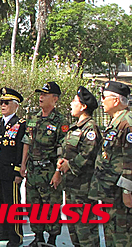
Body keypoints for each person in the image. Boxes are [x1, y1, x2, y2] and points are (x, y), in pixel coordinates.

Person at [20, 82, 68, 247]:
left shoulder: (60, 121)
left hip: (49, 171)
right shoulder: (33, 118)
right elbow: (27, 141)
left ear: (54, 99)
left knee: (51, 208)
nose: (40, 97)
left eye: (45, 95)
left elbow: (63, 148)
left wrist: (58, 172)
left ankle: (52, 240)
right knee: (33, 206)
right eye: (40, 94)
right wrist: (23, 165)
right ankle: (38, 236)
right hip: (33, 171)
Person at [89, 81, 132, 247]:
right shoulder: (116, 122)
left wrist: (128, 190)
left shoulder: (127, 123)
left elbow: (130, 159)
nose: (101, 102)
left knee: (123, 235)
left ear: (115, 101)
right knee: (111, 232)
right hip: (110, 190)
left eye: (104, 98)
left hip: (121, 193)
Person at [57, 86, 101, 247]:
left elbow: (88, 153)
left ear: (83, 106)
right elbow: (66, 149)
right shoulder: (74, 128)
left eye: (74, 101)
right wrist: (61, 161)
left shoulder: (90, 128)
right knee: (74, 228)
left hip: (84, 188)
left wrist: (70, 164)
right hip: (71, 186)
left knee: (86, 229)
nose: (70, 104)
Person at [0, 87, 26, 247]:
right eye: (1, 103)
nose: (2, 105)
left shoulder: (20, 124)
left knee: (12, 204)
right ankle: (1, 231)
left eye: (6, 103)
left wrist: (18, 170)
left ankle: (15, 236)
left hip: (11, 171)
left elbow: (20, 148)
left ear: (15, 105)